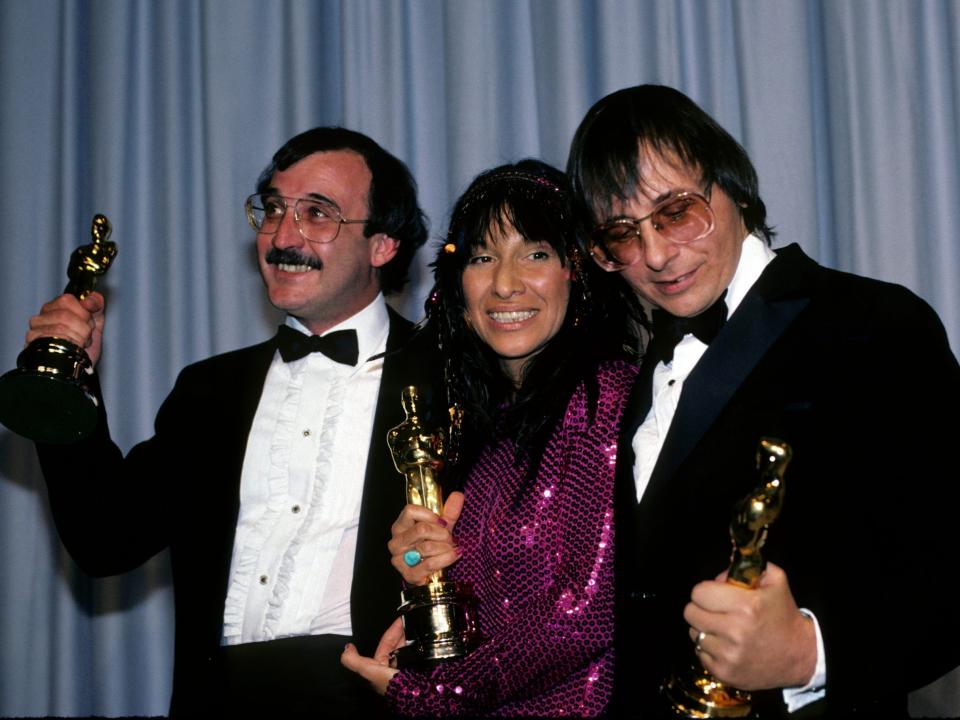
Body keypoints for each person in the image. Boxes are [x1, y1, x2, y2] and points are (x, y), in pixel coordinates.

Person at [565, 83, 960, 717]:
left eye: (676, 212)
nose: (657, 256)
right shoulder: (640, 367)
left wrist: (810, 652)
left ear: (735, 186)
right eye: (622, 235)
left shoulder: (875, 324)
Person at [24, 127, 439, 716]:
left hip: (380, 702)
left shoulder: (453, 378)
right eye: (273, 209)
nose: (281, 236)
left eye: (317, 214)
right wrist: (63, 386)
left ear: (383, 245)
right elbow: (105, 540)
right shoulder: (209, 390)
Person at [341, 159, 639, 716]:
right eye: (482, 257)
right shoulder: (472, 423)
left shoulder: (609, 400)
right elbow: (489, 604)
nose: (504, 283)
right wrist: (417, 575)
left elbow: (583, 618)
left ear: (576, 268)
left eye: (535, 254)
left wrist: (430, 695)